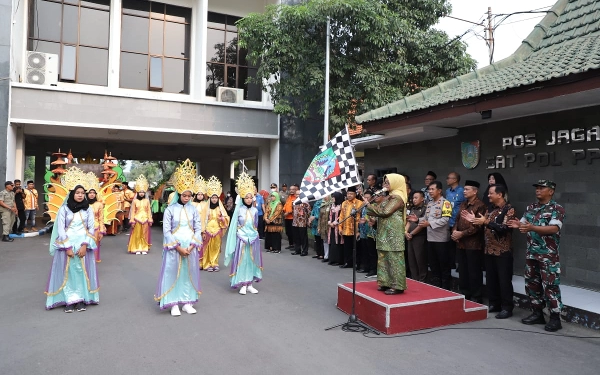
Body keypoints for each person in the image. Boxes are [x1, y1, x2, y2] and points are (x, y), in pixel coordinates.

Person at [509, 180, 566, 332]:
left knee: (551, 286)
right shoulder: (531, 208)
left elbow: (554, 228)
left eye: (542, 188)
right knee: (532, 284)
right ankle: (537, 313)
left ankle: (555, 318)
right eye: (537, 188)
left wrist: (532, 227)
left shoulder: (557, 208)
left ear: (551, 191)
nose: (538, 190)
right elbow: (523, 224)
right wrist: (517, 225)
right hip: (532, 254)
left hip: (548, 256)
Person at [155, 159, 203, 316]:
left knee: (189, 273)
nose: (187, 198)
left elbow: (198, 228)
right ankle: (173, 302)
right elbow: (167, 231)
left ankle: (187, 302)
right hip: (174, 248)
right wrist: (178, 247)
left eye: (189, 195)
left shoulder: (194, 209)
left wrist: (190, 246)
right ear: (178, 194)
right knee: (172, 272)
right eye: (184, 195)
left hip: (190, 247)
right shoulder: (170, 210)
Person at [45, 183, 99, 312]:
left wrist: (85, 245)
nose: (80, 195)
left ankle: (81, 299)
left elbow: (91, 228)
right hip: (67, 244)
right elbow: (60, 229)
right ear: (72, 194)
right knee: (67, 272)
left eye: (82, 193)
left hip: (83, 244)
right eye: (77, 193)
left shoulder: (88, 209)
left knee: (81, 271)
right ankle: (68, 299)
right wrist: (67, 247)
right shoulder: (64, 209)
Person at [465, 184, 516, 319]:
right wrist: (475, 221)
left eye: (491, 193)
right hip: (489, 250)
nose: (488, 195)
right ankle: (494, 303)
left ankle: (507, 307)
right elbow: (484, 225)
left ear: (500, 194)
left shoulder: (509, 209)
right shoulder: (490, 209)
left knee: (504, 280)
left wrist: (485, 222)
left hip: (503, 252)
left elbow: (504, 228)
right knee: (491, 279)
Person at [364, 174, 408, 295]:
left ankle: (397, 286)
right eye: (385, 182)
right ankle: (385, 282)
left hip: (393, 232)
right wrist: (375, 220)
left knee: (394, 258)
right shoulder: (389, 197)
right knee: (383, 257)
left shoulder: (398, 198)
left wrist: (368, 205)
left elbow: (386, 212)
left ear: (396, 183)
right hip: (384, 231)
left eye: (388, 182)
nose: (385, 185)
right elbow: (382, 213)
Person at [224, 173, 263, 295]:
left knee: (251, 260)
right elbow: (235, 226)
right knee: (242, 261)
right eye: (246, 198)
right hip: (241, 239)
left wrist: (254, 235)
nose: (249, 200)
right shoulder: (238, 210)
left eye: (251, 197)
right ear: (242, 198)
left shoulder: (255, 210)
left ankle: (250, 283)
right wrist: (239, 237)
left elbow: (256, 225)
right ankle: (242, 283)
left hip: (253, 239)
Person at [452, 180, 486, 303]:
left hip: (473, 244)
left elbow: (477, 226)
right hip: (461, 243)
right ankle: (465, 294)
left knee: (474, 271)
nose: (464, 191)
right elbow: (457, 220)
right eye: (464, 189)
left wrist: (462, 233)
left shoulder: (480, 205)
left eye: (467, 189)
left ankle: (476, 296)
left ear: (475, 191)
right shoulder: (463, 204)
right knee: (463, 271)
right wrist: (455, 231)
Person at [420, 180, 452, 289]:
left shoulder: (446, 203)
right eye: (429, 189)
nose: (430, 191)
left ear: (439, 190)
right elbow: (425, 219)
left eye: (433, 189)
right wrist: (417, 220)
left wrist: (429, 223)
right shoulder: (429, 204)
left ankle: (446, 288)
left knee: (443, 266)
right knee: (433, 266)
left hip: (441, 239)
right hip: (430, 239)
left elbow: (445, 220)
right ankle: (436, 287)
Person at [200, 176, 230, 272]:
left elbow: (226, 218)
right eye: (212, 197)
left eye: (215, 198)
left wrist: (222, 219)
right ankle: (207, 263)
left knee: (216, 247)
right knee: (207, 247)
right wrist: (203, 231)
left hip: (217, 230)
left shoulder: (220, 208)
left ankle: (215, 263)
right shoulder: (206, 207)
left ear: (218, 199)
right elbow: (202, 219)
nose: (214, 199)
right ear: (210, 198)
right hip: (208, 230)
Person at [127, 175, 153, 255]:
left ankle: (144, 248)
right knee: (137, 234)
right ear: (137, 193)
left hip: (145, 219)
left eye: (143, 192)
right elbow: (133, 211)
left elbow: (149, 210)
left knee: (144, 234)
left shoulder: (147, 201)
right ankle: (137, 248)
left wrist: (150, 219)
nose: (141, 193)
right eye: (140, 192)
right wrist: (132, 220)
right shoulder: (135, 201)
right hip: (137, 219)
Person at [405, 190, 427, 281]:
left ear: (422, 199)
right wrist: (405, 232)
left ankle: (422, 281)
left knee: (420, 260)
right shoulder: (413, 209)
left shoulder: (425, 209)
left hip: (419, 237)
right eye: (413, 198)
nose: (414, 200)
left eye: (416, 198)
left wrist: (412, 233)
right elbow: (409, 222)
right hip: (410, 237)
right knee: (412, 260)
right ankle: (414, 279)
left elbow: (421, 224)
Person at [338, 186, 362, 268]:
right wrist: (340, 227)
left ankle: (357, 264)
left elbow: (359, 217)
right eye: (348, 193)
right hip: (346, 229)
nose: (349, 195)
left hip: (355, 229)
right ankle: (348, 262)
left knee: (356, 248)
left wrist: (358, 230)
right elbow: (341, 216)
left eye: (351, 194)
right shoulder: (344, 203)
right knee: (347, 247)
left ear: (355, 194)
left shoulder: (359, 203)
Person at [359, 189, 377, 277]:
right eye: (364, 198)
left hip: (373, 232)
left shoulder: (373, 206)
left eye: (367, 198)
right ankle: (367, 267)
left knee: (373, 252)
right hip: (364, 232)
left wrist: (366, 220)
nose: (365, 199)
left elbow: (370, 217)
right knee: (366, 251)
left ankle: (373, 269)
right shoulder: (363, 206)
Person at [87, 188, 105, 263]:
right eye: (90, 192)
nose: (92, 194)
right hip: (84, 228)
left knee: (95, 244)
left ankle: (93, 260)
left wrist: (101, 231)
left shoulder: (99, 204)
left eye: (93, 193)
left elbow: (101, 218)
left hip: (96, 227)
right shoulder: (83, 204)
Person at [327, 192, 344, 266]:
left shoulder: (342, 206)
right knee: (332, 242)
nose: (333, 199)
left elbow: (341, 216)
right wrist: (330, 222)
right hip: (332, 227)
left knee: (338, 243)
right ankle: (332, 259)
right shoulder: (332, 206)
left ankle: (338, 260)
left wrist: (335, 222)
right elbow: (329, 215)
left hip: (338, 226)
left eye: (334, 197)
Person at [317, 195, 333, 262]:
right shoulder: (322, 205)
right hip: (323, 226)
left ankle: (330, 256)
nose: (325, 197)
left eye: (326, 196)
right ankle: (326, 256)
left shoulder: (332, 205)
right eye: (324, 196)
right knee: (325, 241)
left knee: (330, 241)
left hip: (329, 226)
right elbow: (320, 217)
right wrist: (319, 227)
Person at [282, 184, 297, 249]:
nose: (291, 191)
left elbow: (294, 208)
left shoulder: (296, 198)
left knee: (293, 232)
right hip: (286, 217)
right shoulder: (289, 197)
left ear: (295, 190)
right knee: (288, 232)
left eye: (293, 189)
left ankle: (294, 245)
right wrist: (284, 210)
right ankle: (290, 244)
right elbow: (285, 205)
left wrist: (288, 212)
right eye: (290, 189)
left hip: (292, 218)